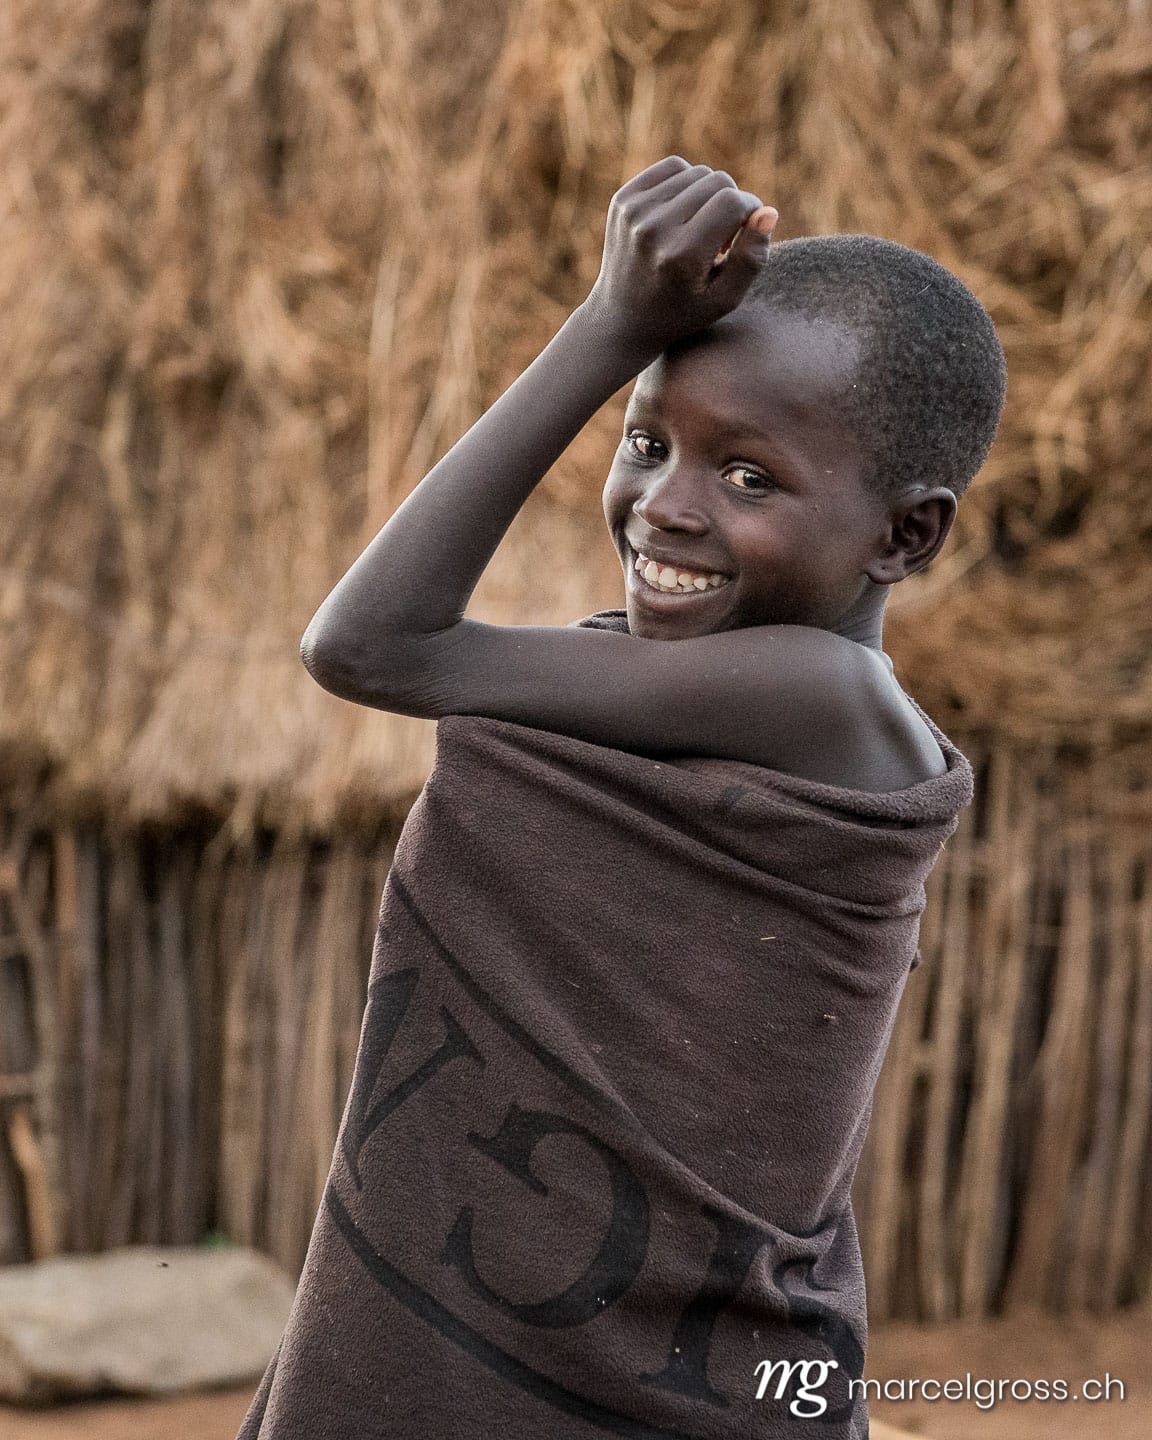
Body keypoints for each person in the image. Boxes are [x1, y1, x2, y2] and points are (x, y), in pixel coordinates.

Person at [238, 157, 1004, 1438]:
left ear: (905, 536)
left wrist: (610, 325)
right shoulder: (644, 680)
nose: (665, 505)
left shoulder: (827, 701)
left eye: (750, 477)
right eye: (648, 442)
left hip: (658, 1383)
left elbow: (371, 646)